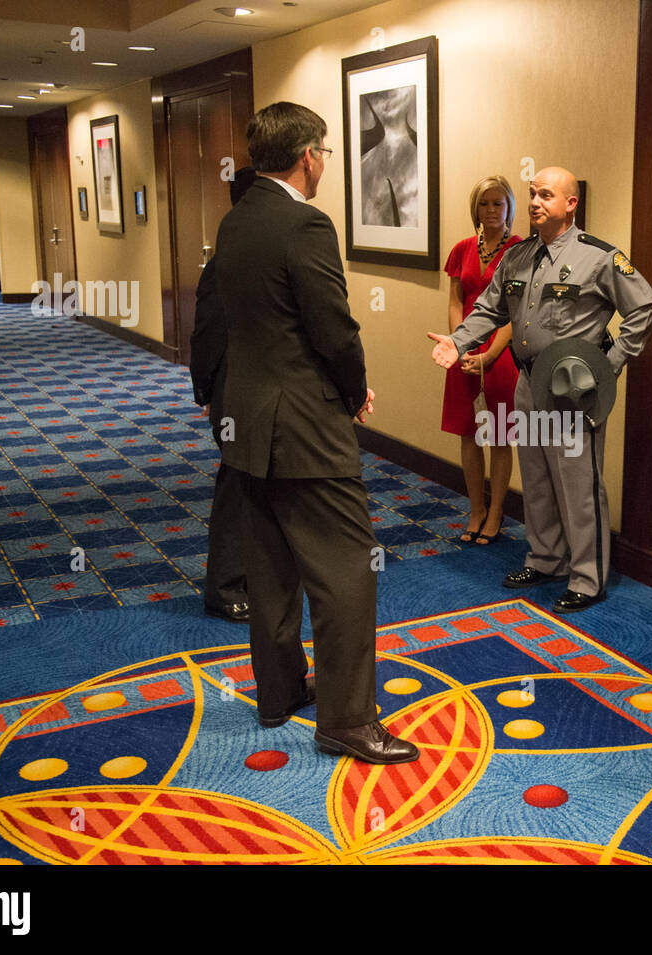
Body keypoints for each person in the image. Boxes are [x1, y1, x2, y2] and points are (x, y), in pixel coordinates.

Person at [214, 101, 417, 764]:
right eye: (325, 153)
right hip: (304, 427)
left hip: (245, 423)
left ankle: (277, 692)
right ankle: (349, 720)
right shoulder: (305, 223)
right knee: (346, 573)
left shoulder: (237, 220)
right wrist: (356, 393)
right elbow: (334, 329)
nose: (326, 163)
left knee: (270, 567)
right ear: (308, 156)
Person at [428, 167, 652, 613]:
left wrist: (608, 368)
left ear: (571, 204)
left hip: (575, 388)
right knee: (535, 478)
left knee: (578, 483)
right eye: (532, 194)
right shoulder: (517, 258)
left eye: (546, 195)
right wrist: (457, 342)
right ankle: (546, 557)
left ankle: (588, 578)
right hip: (529, 382)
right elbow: (487, 310)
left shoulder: (600, 258)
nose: (534, 202)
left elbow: (646, 308)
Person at [191, 165, 259, 624]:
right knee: (237, 490)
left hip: (269, 394)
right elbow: (208, 334)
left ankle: (256, 577)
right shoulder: (226, 262)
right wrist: (207, 391)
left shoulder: (271, 254)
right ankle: (225, 587)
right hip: (236, 392)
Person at [441, 176, 522, 544]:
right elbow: (457, 301)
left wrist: (489, 354)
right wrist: (460, 345)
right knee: (469, 434)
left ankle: (497, 511)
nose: (491, 211)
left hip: (501, 352)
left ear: (509, 208)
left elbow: (517, 312)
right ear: (475, 207)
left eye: (498, 204)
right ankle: (475, 509)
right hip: (466, 352)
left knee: (501, 435)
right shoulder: (461, 249)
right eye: (484, 203)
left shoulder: (520, 250)